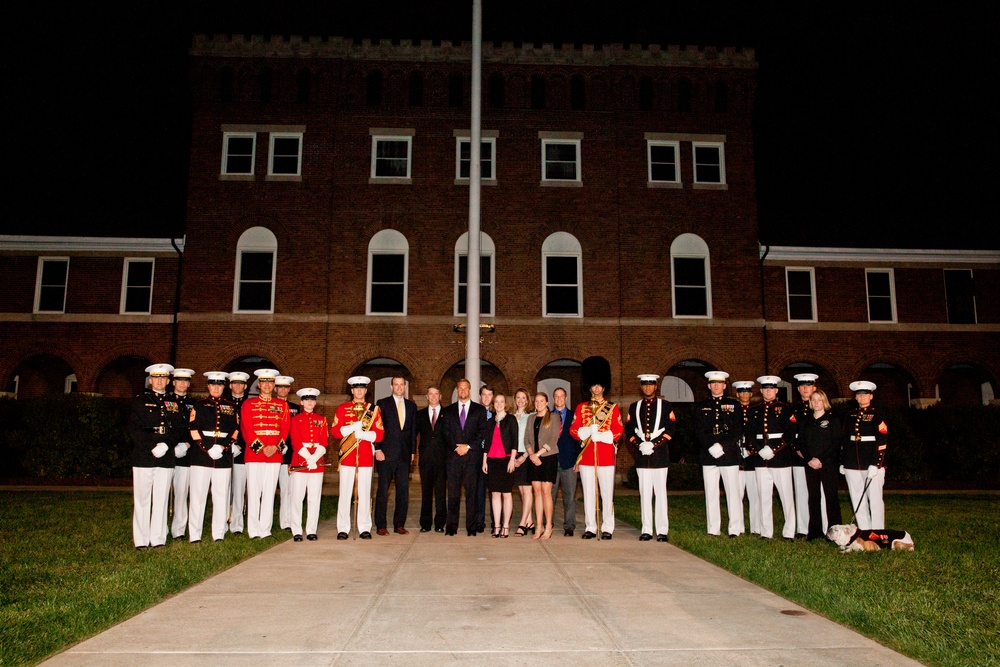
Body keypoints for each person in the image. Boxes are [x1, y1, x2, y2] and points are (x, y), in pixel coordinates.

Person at [128, 363, 183, 549]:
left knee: (161, 498)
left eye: (163, 378)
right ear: (150, 380)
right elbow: (134, 430)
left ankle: (158, 538)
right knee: (142, 500)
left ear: (168, 381)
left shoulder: (173, 403)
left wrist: (167, 444)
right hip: (144, 455)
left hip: (166, 456)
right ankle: (141, 540)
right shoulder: (139, 401)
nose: (159, 381)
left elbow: (179, 429)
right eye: (156, 378)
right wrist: (153, 445)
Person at [569, 356, 623, 540]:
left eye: (600, 385)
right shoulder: (581, 407)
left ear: (604, 386)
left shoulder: (612, 408)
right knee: (589, 493)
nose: (597, 388)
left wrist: (603, 436)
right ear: (589, 386)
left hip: (606, 456)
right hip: (586, 458)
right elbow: (573, 430)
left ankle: (607, 526)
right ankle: (590, 526)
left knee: (607, 493)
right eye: (594, 385)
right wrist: (586, 431)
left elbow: (618, 430)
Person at [187, 371, 238, 543]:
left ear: (224, 387)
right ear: (208, 386)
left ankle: (219, 533)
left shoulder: (231, 406)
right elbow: (193, 429)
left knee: (221, 496)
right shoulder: (199, 405)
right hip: (201, 457)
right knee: (198, 496)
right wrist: (208, 448)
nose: (216, 388)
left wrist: (224, 447)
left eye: (220, 385)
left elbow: (235, 430)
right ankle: (195, 534)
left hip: (222, 457)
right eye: (213, 385)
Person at [240, 368, 291, 539]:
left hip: (275, 454)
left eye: (271, 382)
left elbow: (285, 430)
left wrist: (276, 447)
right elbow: (246, 429)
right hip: (255, 454)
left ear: (274, 385)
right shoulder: (248, 404)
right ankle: (253, 530)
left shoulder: (282, 405)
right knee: (254, 492)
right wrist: (262, 448)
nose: (267, 385)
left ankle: (265, 529)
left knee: (269, 492)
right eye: (264, 382)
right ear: (259, 385)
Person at [332, 376, 384, 539]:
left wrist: (364, 434)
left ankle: (364, 527)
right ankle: (343, 528)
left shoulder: (373, 410)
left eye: (362, 388)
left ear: (366, 391)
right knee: (345, 492)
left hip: (366, 456)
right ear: (352, 391)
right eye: (356, 388)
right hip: (348, 456)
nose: (359, 391)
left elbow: (380, 435)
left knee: (364, 492)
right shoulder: (342, 408)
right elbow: (335, 432)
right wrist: (352, 428)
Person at [435, 378, 489, 536]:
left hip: (472, 458)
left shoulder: (479, 410)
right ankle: (451, 527)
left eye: (466, 388)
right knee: (453, 494)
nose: (463, 391)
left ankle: (471, 528)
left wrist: (468, 446)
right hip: (453, 458)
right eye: (460, 388)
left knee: (472, 494)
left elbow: (482, 432)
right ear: (457, 390)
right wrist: (456, 447)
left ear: (469, 390)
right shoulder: (448, 410)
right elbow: (445, 433)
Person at [695, 370, 744, 537]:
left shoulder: (734, 405)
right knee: (711, 493)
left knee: (733, 492)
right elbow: (698, 430)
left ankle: (734, 529)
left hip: (728, 453)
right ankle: (713, 528)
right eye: (713, 383)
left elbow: (738, 429)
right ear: (709, 386)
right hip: (709, 454)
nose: (716, 386)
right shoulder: (701, 406)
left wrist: (722, 445)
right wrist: (711, 445)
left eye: (719, 383)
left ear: (724, 385)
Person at [626, 374, 675, 542]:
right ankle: (646, 529)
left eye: (651, 385)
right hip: (642, 458)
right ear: (641, 387)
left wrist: (654, 444)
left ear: (656, 387)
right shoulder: (634, 407)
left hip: (660, 457)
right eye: (645, 385)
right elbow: (629, 430)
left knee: (660, 494)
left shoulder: (666, 406)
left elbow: (670, 430)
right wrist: (640, 445)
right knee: (644, 494)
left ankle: (662, 530)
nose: (647, 388)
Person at [747, 375, 796, 540]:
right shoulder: (754, 410)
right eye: (765, 389)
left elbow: (790, 434)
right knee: (763, 496)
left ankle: (789, 531)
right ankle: (766, 531)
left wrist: (774, 449)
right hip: (761, 458)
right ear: (761, 391)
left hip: (780, 458)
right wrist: (759, 449)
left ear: (776, 390)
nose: (768, 391)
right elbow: (750, 434)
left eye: (771, 389)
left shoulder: (786, 408)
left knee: (786, 496)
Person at [797, 389, 843, 540]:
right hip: (811, 464)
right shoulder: (806, 420)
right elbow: (801, 442)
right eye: (813, 400)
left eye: (819, 399)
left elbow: (836, 443)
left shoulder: (833, 419)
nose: (816, 403)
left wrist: (820, 459)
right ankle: (815, 532)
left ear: (824, 401)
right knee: (814, 497)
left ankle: (835, 532)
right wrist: (810, 459)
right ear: (810, 402)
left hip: (828, 464)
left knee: (831, 498)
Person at [842, 380, 888, 530]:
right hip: (852, 463)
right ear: (855, 397)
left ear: (871, 396)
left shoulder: (877, 415)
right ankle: (864, 530)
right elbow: (845, 439)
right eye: (859, 394)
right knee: (857, 499)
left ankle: (877, 531)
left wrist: (876, 463)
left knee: (874, 499)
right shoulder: (850, 415)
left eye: (865, 394)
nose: (861, 397)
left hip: (871, 463)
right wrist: (843, 461)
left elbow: (882, 440)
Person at [374, 376, 417, 535]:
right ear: (391, 387)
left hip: (404, 455)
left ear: (405, 387)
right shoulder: (382, 404)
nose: (399, 387)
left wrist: (413, 451)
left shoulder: (411, 406)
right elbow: (376, 427)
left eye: (402, 385)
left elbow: (412, 431)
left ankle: (399, 524)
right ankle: (381, 525)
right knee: (383, 491)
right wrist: (377, 449)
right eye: (396, 385)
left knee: (403, 491)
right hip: (385, 454)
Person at [288, 388, 327, 541]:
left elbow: (324, 440)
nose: (310, 402)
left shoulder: (321, 419)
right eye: (307, 400)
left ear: (315, 402)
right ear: (301, 402)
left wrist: (315, 458)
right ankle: (296, 530)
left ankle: (311, 530)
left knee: (314, 498)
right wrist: (309, 458)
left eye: (312, 400)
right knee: (297, 498)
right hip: (300, 462)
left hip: (317, 464)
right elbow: (296, 442)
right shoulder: (295, 419)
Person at [481, 393, 518, 537]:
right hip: (492, 461)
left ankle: (506, 526)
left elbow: (514, 441)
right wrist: (484, 461)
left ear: (505, 404)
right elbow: (487, 443)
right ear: (493, 404)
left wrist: (512, 460)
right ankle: (496, 526)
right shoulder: (490, 422)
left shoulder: (511, 419)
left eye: (502, 401)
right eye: (496, 401)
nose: (499, 404)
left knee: (507, 494)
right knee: (494, 494)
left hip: (506, 460)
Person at [525, 391, 561, 540]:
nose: (539, 403)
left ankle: (548, 526)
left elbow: (553, 440)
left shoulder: (553, 417)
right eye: (536, 401)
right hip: (533, 458)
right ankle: (538, 525)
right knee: (536, 492)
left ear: (547, 403)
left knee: (546, 492)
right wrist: (531, 454)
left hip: (548, 457)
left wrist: (538, 454)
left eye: (541, 401)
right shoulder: (531, 418)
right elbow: (526, 439)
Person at [169, 367, 196, 540]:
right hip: (165, 451)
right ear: (173, 383)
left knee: (181, 493)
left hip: (186, 453)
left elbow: (196, 428)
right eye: (179, 380)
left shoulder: (194, 404)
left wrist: (186, 444)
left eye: (186, 381)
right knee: (162, 495)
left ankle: (179, 530)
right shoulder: (164, 401)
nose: (182, 384)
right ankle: (160, 528)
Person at [416, 385, 447, 533]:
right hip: (426, 459)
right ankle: (425, 524)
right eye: (431, 394)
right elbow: (413, 435)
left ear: (440, 396)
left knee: (440, 493)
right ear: (427, 397)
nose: (434, 396)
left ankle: (440, 524)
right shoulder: (420, 415)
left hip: (442, 459)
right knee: (426, 492)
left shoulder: (447, 414)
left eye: (436, 394)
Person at [790, 373, 817, 538]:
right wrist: (796, 449)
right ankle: (802, 528)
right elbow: (791, 432)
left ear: (814, 387)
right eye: (802, 386)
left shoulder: (821, 406)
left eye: (809, 385)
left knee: (818, 493)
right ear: (799, 388)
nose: (806, 389)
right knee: (800, 492)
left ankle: (820, 525)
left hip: (818, 456)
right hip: (799, 456)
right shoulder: (793, 409)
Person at [733, 380, 762, 536]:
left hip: (752, 457)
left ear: (751, 394)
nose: (744, 395)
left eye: (747, 392)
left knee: (754, 494)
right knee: (736, 494)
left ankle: (756, 527)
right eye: (741, 392)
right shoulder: (733, 411)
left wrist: (752, 449)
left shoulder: (756, 411)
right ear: (737, 394)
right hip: (736, 456)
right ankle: (738, 527)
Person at [551, 387, 580, 537]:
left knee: (569, 496)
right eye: (556, 396)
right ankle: (547, 523)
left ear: (566, 398)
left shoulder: (573, 415)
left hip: (569, 462)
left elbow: (579, 439)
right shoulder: (548, 416)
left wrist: (578, 460)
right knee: (550, 495)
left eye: (562, 396)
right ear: (553, 398)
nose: (559, 399)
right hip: (551, 461)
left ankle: (569, 525)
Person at [225, 371, 250, 535]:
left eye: (241, 384)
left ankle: (237, 525)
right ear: (230, 385)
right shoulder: (224, 403)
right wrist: (228, 445)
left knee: (239, 490)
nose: (238, 386)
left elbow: (249, 429)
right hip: (224, 451)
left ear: (246, 386)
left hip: (241, 452)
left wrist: (240, 445)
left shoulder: (249, 404)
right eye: (235, 383)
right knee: (224, 489)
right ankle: (223, 522)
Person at [274, 375, 299, 532]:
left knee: (288, 490)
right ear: (275, 389)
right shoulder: (271, 405)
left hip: (289, 454)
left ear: (289, 389)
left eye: (286, 387)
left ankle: (286, 522)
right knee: (266, 490)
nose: (283, 390)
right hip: (270, 452)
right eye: (280, 387)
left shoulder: (295, 407)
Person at [511, 388, 535, 536]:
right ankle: (530, 521)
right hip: (514, 454)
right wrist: (513, 457)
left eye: (523, 398)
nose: (520, 400)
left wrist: (524, 456)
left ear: (527, 400)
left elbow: (532, 440)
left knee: (527, 490)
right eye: (518, 397)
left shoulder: (531, 416)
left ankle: (522, 524)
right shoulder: (511, 416)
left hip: (526, 455)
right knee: (521, 490)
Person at [473, 384, 495, 533]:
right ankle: (479, 521)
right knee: (479, 490)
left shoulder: (497, 415)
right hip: (478, 456)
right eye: (484, 395)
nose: (486, 397)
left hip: (494, 457)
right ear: (480, 397)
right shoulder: (475, 414)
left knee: (494, 491)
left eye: (489, 395)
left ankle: (496, 521)